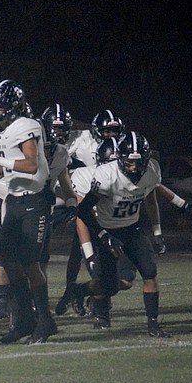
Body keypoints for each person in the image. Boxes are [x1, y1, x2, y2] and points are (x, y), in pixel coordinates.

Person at [0, 79, 57, 344]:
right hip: (13, 202)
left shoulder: (28, 126)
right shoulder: (0, 131)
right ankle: (25, 320)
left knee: (30, 264)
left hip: (33, 202)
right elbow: (0, 170)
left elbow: (30, 166)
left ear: (14, 106)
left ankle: (45, 321)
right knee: (10, 264)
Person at [71, 132, 171, 338]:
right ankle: (79, 291)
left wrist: (158, 230)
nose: (134, 167)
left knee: (150, 273)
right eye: (129, 162)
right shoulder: (107, 175)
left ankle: (153, 326)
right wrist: (102, 235)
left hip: (132, 229)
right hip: (108, 231)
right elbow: (83, 210)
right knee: (109, 286)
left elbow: (152, 198)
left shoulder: (152, 171)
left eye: (138, 162)